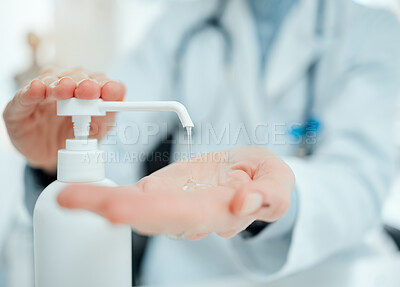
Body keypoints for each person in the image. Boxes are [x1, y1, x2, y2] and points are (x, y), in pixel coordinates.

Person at [3, 0, 400, 285]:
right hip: (186, 272)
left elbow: (359, 178)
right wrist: (58, 160)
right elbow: (114, 148)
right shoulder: (182, 22)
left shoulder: (372, 33)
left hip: (321, 274)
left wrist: (277, 196)